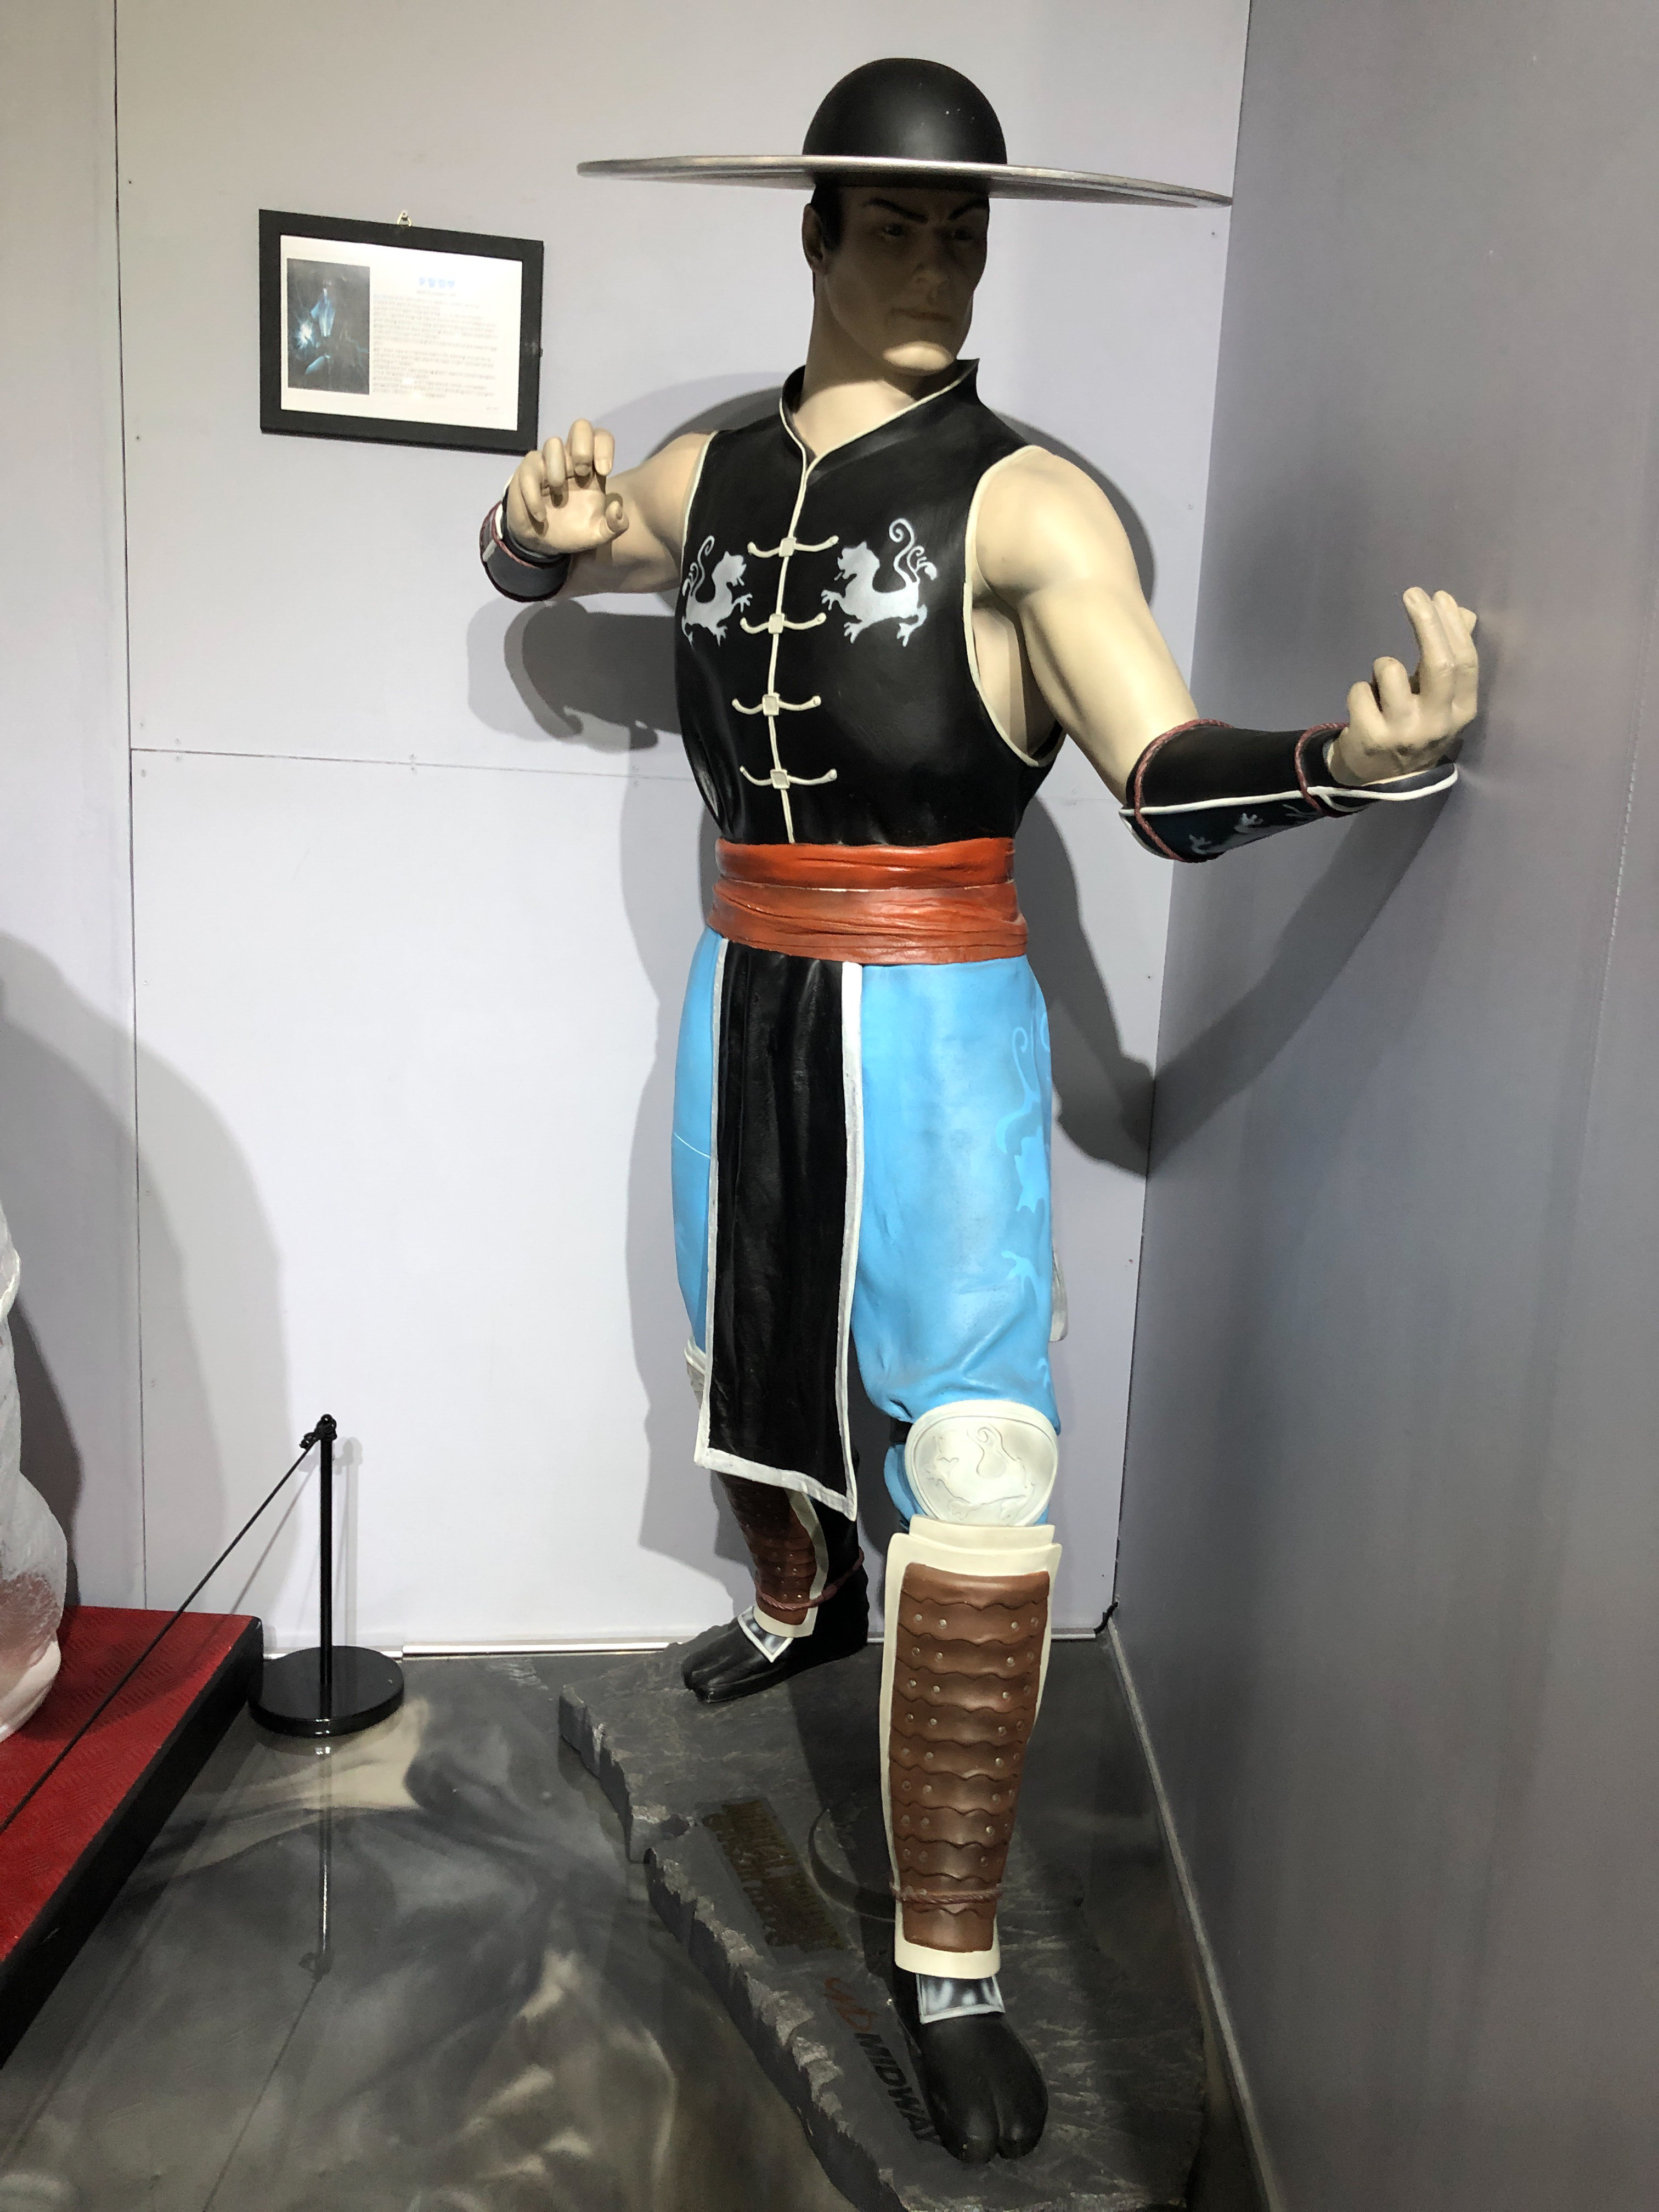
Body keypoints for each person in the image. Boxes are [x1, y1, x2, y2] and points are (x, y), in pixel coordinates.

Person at [478, 57, 1479, 2165]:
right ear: (818, 231)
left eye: (966, 228)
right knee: (740, 1337)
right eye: (899, 224)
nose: (939, 261)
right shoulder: (713, 469)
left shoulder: (1028, 507)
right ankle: (794, 1603)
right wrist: (527, 534)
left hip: (935, 1001)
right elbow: (561, 553)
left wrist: (1341, 764)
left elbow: (1161, 775)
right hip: (745, 975)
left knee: (984, 1462)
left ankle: (948, 1962)